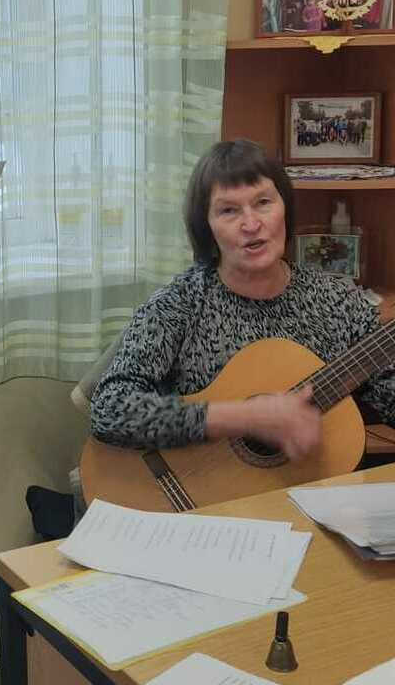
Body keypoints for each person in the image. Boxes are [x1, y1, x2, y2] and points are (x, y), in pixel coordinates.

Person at [91, 139, 395, 458]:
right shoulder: (180, 303)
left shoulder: (337, 300)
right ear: (206, 227)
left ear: (285, 208)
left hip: (318, 485)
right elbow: (109, 408)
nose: (251, 224)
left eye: (263, 202)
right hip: (204, 485)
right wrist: (244, 418)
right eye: (228, 210)